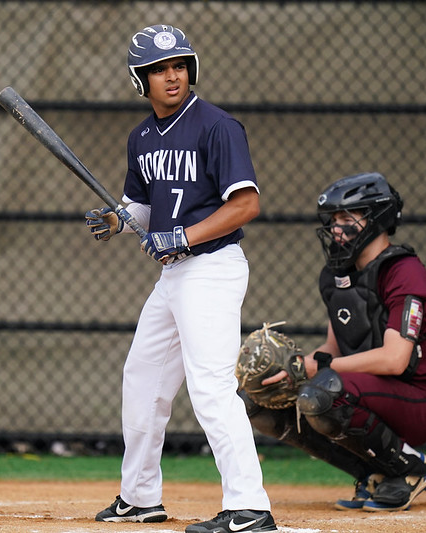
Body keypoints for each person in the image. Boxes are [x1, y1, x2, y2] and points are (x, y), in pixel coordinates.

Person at [84, 24, 276, 532]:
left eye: (178, 66)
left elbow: (246, 205)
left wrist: (183, 236)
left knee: (211, 386)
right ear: (140, 80)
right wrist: (117, 220)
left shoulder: (218, 126)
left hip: (211, 267)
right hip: (174, 275)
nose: (172, 76)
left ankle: (250, 506)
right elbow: (142, 207)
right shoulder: (141, 138)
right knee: (142, 381)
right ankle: (139, 497)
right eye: (158, 70)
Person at [243, 172, 426, 512]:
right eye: (333, 219)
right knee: (261, 400)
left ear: (377, 218)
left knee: (323, 390)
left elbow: (395, 360)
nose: (336, 227)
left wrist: (318, 368)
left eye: (346, 218)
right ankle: (373, 473)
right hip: (368, 391)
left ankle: (410, 467)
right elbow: (333, 349)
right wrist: (292, 368)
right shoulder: (337, 275)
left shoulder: (403, 271)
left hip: (420, 399)